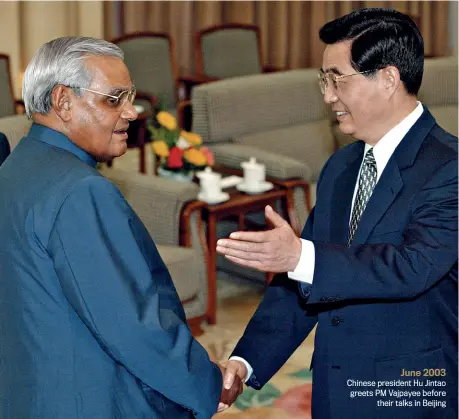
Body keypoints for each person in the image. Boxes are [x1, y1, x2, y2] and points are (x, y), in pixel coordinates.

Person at [216, 8, 458, 419]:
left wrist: (299, 257)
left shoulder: (449, 167)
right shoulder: (341, 167)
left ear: (388, 78)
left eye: (336, 80)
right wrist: (245, 362)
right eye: (323, 81)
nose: (328, 96)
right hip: (334, 388)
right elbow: (306, 277)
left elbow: (411, 266)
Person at [0, 36, 241, 419]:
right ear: (63, 102)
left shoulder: (14, 168)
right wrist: (208, 384)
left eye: (129, 97)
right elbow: (133, 327)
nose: (131, 112)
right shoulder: (81, 192)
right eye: (113, 99)